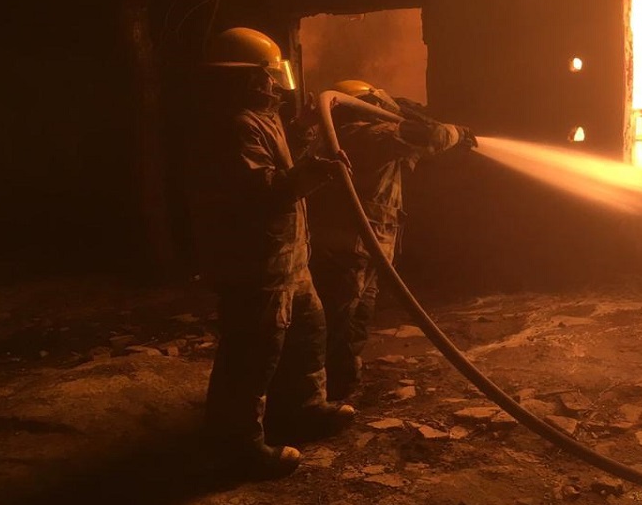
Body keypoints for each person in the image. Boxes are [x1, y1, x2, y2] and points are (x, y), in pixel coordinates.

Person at [188, 27, 356, 479]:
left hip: (286, 258)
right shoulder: (232, 126)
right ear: (248, 77)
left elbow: (281, 161)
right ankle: (235, 446)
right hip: (255, 265)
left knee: (307, 333)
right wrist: (313, 174)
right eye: (268, 74)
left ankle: (303, 409)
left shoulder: (261, 118)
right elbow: (259, 190)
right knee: (252, 354)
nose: (275, 83)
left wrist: (303, 131)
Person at [306, 80, 477, 400]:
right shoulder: (362, 135)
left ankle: (341, 386)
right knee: (337, 323)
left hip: (364, 247)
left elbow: (417, 146)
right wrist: (456, 132)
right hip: (349, 249)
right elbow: (427, 136)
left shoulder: (355, 137)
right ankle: (318, 395)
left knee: (355, 320)